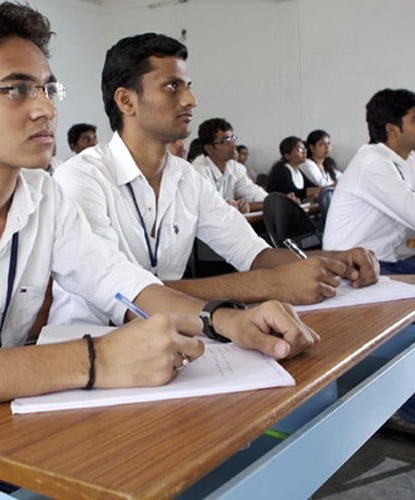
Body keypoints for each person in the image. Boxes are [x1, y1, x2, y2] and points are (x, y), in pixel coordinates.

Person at [0, 5, 319, 497]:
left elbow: (123, 282)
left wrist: (224, 320)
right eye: (16, 89)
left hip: (3, 418)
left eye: (48, 88)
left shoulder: (43, 194)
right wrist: (95, 360)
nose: (47, 108)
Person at [49, 33, 377, 326]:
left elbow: (255, 255)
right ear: (126, 100)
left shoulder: (185, 178)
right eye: (172, 86)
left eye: (188, 87)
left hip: (173, 337)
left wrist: (337, 260)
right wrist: (270, 284)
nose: (190, 100)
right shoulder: (81, 177)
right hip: (92, 346)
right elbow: (122, 294)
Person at [324, 88, 415, 435]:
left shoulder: (400, 162)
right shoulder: (373, 162)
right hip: (354, 273)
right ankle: (403, 406)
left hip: (383, 263)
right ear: (392, 128)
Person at [192, 118, 267, 212]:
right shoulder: (198, 170)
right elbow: (209, 209)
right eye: (225, 141)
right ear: (209, 149)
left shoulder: (235, 167)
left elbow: (261, 198)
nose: (233, 144)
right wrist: (235, 207)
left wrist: (247, 206)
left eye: (233, 138)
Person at [267, 135, 311, 200]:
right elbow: (296, 192)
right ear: (287, 155)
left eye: (304, 149)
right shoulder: (282, 171)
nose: (304, 152)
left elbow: (311, 186)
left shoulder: (298, 170)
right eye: (300, 150)